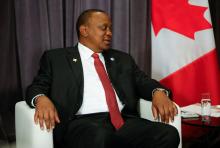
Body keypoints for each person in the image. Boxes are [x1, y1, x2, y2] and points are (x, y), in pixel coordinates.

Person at [25, 9, 180, 148]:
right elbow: (37, 86)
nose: (109, 33)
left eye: (110, 28)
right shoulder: (57, 58)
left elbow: (143, 81)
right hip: (81, 124)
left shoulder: (122, 59)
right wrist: (41, 99)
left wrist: (158, 92)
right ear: (84, 30)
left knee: (169, 134)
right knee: (100, 138)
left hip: (123, 122)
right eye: (103, 28)